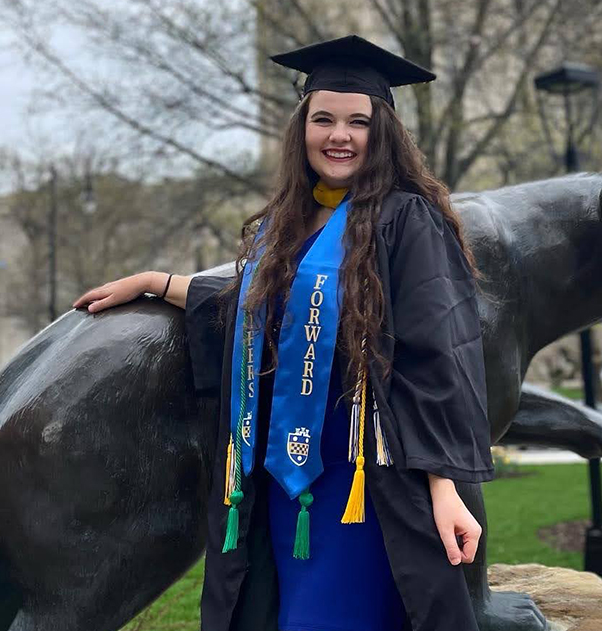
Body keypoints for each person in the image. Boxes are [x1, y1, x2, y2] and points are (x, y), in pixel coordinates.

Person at [72, 34, 494, 631]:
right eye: (323, 119)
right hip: (282, 470)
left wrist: (445, 487)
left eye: (357, 121)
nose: (338, 135)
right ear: (302, 129)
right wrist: (157, 282)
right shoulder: (285, 224)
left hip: (363, 478)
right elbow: (262, 315)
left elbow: (439, 354)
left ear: (384, 133)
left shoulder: (406, 219)